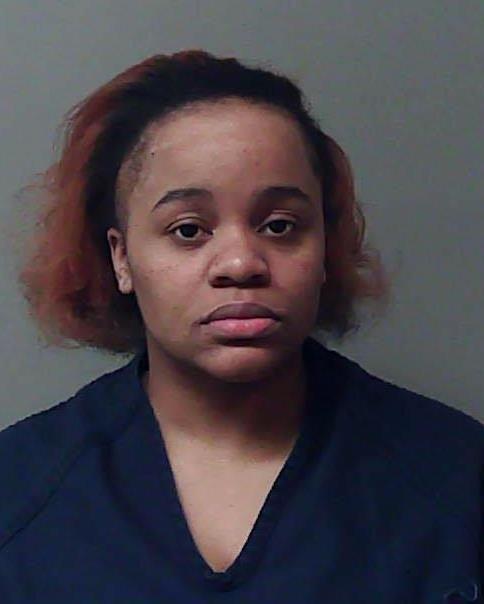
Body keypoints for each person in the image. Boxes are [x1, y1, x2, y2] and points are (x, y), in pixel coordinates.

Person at [0, 50, 482, 603]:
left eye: (279, 225)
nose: (240, 263)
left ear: (324, 246)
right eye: (188, 230)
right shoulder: (18, 491)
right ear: (122, 258)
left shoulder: (457, 478)